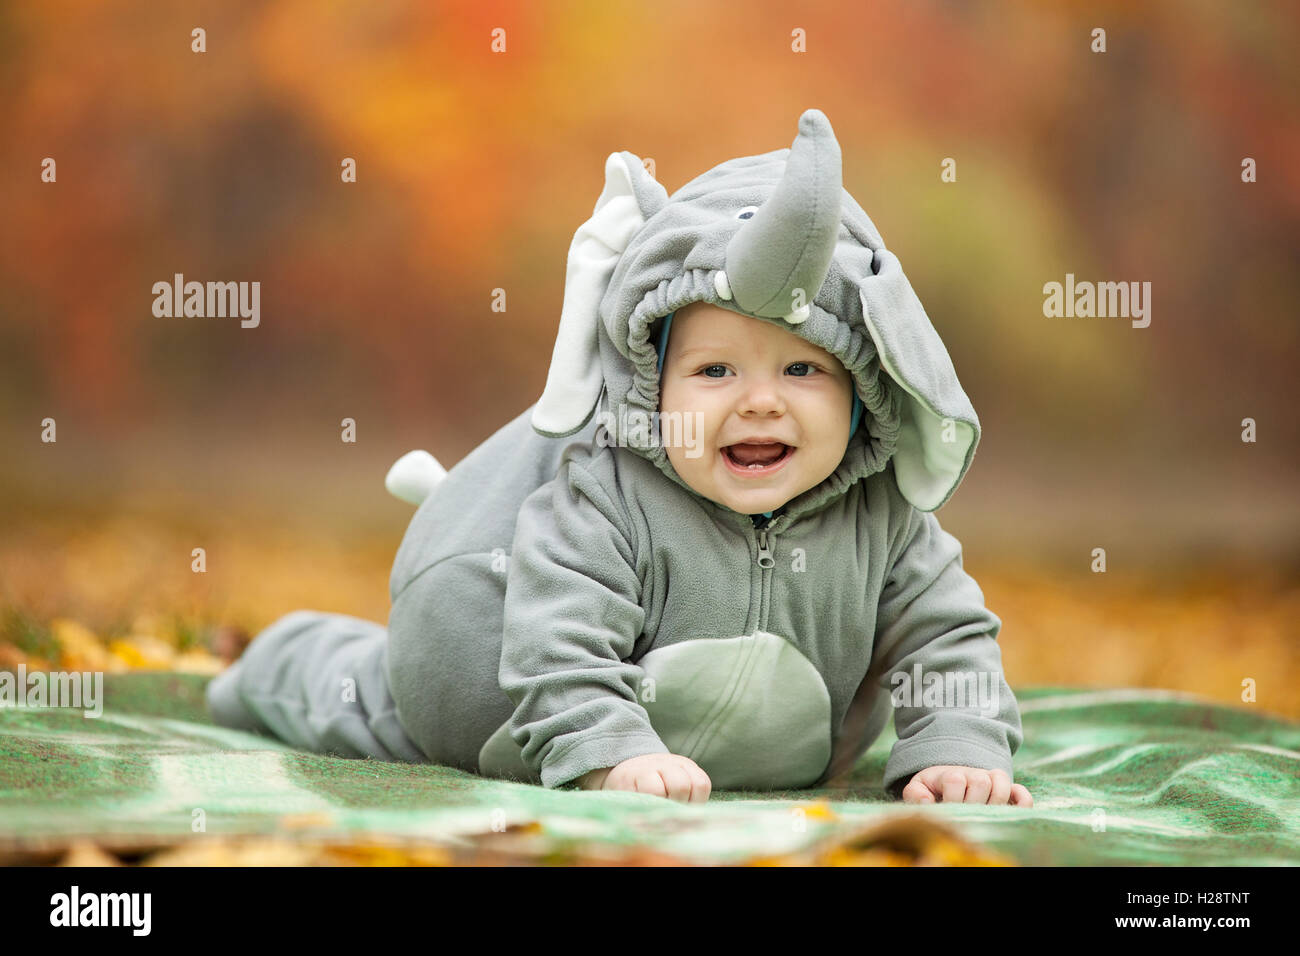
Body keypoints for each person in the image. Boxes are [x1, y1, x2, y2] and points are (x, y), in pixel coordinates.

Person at [207, 108, 1032, 807]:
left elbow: (946, 634)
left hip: (769, 750)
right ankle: (279, 656)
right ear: (653, 384)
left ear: (862, 393)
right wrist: (613, 755)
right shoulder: (612, 492)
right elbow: (552, 637)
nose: (759, 401)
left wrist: (958, 742)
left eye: (802, 370)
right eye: (714, 370)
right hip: (504, 714)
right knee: (366, 700)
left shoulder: (883, 517)